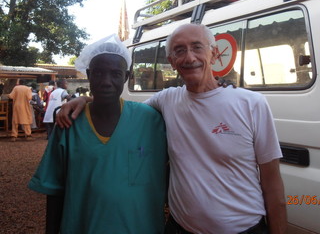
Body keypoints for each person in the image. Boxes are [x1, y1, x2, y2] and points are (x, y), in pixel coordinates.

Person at [56, 24, 287, 234]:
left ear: (213, 53)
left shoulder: (251, 103)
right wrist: (84, 100)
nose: (189, 57)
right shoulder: (167, 100)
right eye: (179, 51)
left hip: (244, 229)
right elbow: (121, 111)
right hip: (180, 228)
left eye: (197, 47)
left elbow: (272, 182)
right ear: (172, 61)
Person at [28, 34, 168, 234]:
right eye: (99, 73)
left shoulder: (150, 120)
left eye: (115, 74)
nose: (106, 81)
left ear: (127, 77)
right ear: (88, 74)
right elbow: (55, 189)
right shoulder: (69, 123)